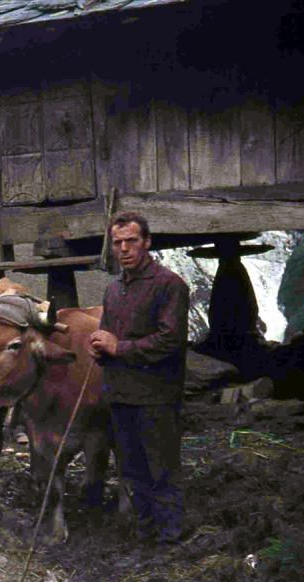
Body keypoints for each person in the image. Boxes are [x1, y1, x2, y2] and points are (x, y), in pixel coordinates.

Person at [89, 211, 190, 545]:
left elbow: (170, 341)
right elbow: (113, 337)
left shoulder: (169, 285)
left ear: (147, 242)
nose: (124, 249)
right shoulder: (114, 290)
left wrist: (119, 348)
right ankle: (146, 537)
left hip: (156, 396)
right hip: (121, 395)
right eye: (117, 243)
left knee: (161, 470)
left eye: (131, 241)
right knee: (132, 473)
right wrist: (101, 348)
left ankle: (170, 540)